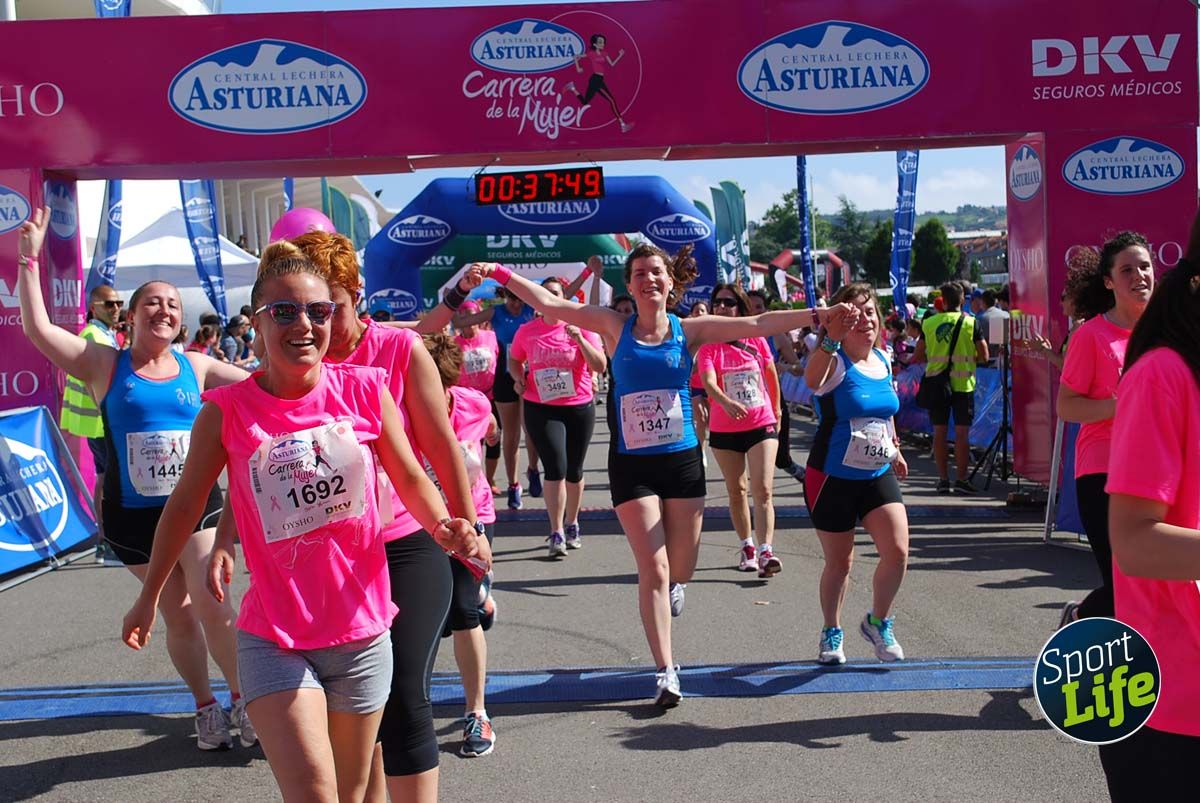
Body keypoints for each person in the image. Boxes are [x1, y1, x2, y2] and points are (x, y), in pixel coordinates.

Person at [122, 248, 484, 803]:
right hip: (275, 636)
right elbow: (185, 504)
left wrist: (445, 525)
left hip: (362, 633)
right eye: (285, 312)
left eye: (318, 311)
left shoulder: (365, 389)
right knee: (316, 792)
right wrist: (149, 596)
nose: (305, 325)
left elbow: (411, 476)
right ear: (258, 319)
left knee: (357, 790)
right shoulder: (225, 410)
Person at [470, 247, 841, 707]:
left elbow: (757, 325)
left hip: (682, 461)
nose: (648, 279)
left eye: (656, 272)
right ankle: (666, 670)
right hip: (632, 465)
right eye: (640, 273)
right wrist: (502, 272)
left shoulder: (691, 330)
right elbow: (552, 306)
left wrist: (819, 313)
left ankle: (678, 586)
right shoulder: (612, 325)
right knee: (654, 567)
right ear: (629, 285)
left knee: (680, 567)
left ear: (670, 283)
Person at [16, 206, 251, 751]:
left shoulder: (197, 366)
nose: (164, 310)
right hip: (133, 515)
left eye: (172, 304)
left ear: (181, 320)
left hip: (195, 507)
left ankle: (245, 699)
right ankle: (206, 707)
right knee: (178, 614)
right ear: (132, 319)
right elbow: (38, 328)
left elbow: (269, 385)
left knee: (212, 600)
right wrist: (29, 258)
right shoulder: (105, 364)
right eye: (152, 303)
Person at [286, 232, 482, 803]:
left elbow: (442, 446)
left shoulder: (400, 348)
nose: (318, 323)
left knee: (400, 693)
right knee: (351, 700)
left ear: (357, 294)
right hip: (330, 552)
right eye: (306, 309)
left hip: (405, 541)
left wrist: (467, 530)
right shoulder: (299, 357)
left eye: (331, 308)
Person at [1103, 242, 1200, 800]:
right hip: (1172, 699)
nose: (1139, 276)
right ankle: (1093, 615)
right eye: (1127, 268)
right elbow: (1135, 543)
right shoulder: (1162, 374)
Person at [804, 282, 910, 665]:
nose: (864, 320)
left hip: (876, 471)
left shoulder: (882, 358)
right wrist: (830, 340)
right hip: (832, 476)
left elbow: (884, 411)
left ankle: (878, 622)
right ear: (838, 321)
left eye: (869, 312)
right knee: (840, 562)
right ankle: (832, 631)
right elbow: (812, 381)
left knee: (897, 552)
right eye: (853, 314)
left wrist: (894, 448)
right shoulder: (833, 361)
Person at [1055, 232, 1154, 627]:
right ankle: (1079, 617)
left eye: (1144, 266)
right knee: (1124, 579)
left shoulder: (1165, 333)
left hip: (1156, 473)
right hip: (1104, 472)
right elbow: (1066, 406)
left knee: (1155, 576)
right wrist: (1119, 406)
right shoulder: (1091, 336)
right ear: (1109, 281)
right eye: (1127, 269)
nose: (1139, 275)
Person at [423, 332, 501, 757]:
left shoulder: (474, 404)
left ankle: (477, 713)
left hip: (474, 519)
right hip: (423, 522)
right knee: (432, 617)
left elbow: (491, 430)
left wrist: (488, 446)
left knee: (462, 612)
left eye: (435, 385)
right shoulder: (401, 411)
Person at [508, 278, 606, 556]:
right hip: (541, 406)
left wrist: (578, 338)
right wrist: (518, 379)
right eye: (544, 294)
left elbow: (599, 364)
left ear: (564, 298)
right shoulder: (527, 331)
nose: (549, 298)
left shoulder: (582, 327)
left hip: (578, 405)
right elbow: (514, 360)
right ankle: (556, 530)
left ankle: (573, 521)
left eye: (554, 293)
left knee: (574, 471)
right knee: (555, 467)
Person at [698, 284, 782, 576]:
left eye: (729, 303)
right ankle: (746, 545)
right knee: (737, 490)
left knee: (764, 489)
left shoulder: (756, 340)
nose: (722, 307)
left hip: (761, 423)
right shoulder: (709, 346)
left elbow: (771, 375)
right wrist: (724, 401)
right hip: (725, 428)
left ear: (740, 307)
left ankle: (766, 550)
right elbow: (708, 381)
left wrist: (778, 409)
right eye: (717, 302)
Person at [454, 287, 541, 509]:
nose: (516, 303)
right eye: (512, 298)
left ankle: (533, 469)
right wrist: (454, 297)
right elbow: (462, 321)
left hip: (532, 374)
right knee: (510, 436)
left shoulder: (532, 308)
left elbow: (563, 298)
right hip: (505, 378)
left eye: (520, 298)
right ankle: (513, 485)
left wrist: (590, 272)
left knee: (531, 430)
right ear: (505, 296)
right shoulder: (496, 313)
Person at [59, 284, 122, 564]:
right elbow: (89, 380)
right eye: (110, 304)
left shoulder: (105, 333)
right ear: (94, 307)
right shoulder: (92, 335)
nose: (117, 308)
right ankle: (106, 541)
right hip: (99, 422)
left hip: (101, 421)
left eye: (119, 303)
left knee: (106, 479)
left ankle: (107, 540)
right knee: (107, 481)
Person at [912, 282, 988, 494]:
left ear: (943, 301)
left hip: (937, 384)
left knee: (939, 433)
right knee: (962, 435)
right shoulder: (971, 322)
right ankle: (962, 480)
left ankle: (943, 479)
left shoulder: (929, 322)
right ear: (962, 300)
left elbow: (918, 354)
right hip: (963, 386)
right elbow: (985, 355)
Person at [747, 289, 806, 484]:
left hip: (772, 399)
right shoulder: (735, 334)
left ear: (766, 309)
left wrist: (784, 367)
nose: (754, 312)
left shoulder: (776, 336)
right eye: (749, 307)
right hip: (745, 400)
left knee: (779, 453)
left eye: (759, 307)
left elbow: (799, 369)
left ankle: (797, 471)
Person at [453, 300, 502, 492]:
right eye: (463, 315)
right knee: (472, 443)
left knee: (494, 440)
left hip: (490, 397)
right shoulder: (455, 344)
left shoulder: (490, 337)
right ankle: (476, 479)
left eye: (472, 315)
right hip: (467, 402)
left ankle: (490, 480)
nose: (468, 320)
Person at [564, 33, 633, 133]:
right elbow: (576, 56)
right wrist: (578, 67)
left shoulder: (604, 53)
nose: (602, 44)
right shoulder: (591, 54)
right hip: (596, 80)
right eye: (600, 42)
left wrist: (620, 55)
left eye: (603, 42)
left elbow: (612, 64)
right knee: (612, 100)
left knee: (585, 102)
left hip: (599, 80)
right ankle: (622, 125)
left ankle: (572, 87)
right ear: (595, 44)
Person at [686, 301, 710, 464]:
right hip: (694, 385)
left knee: (709, 421)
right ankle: (700, 450)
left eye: (703, 310)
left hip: (712, 385)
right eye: (697, 311)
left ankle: (703, 443)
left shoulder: (714, 334)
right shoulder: (688, 335)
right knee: (701, 417)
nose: (700, 313)